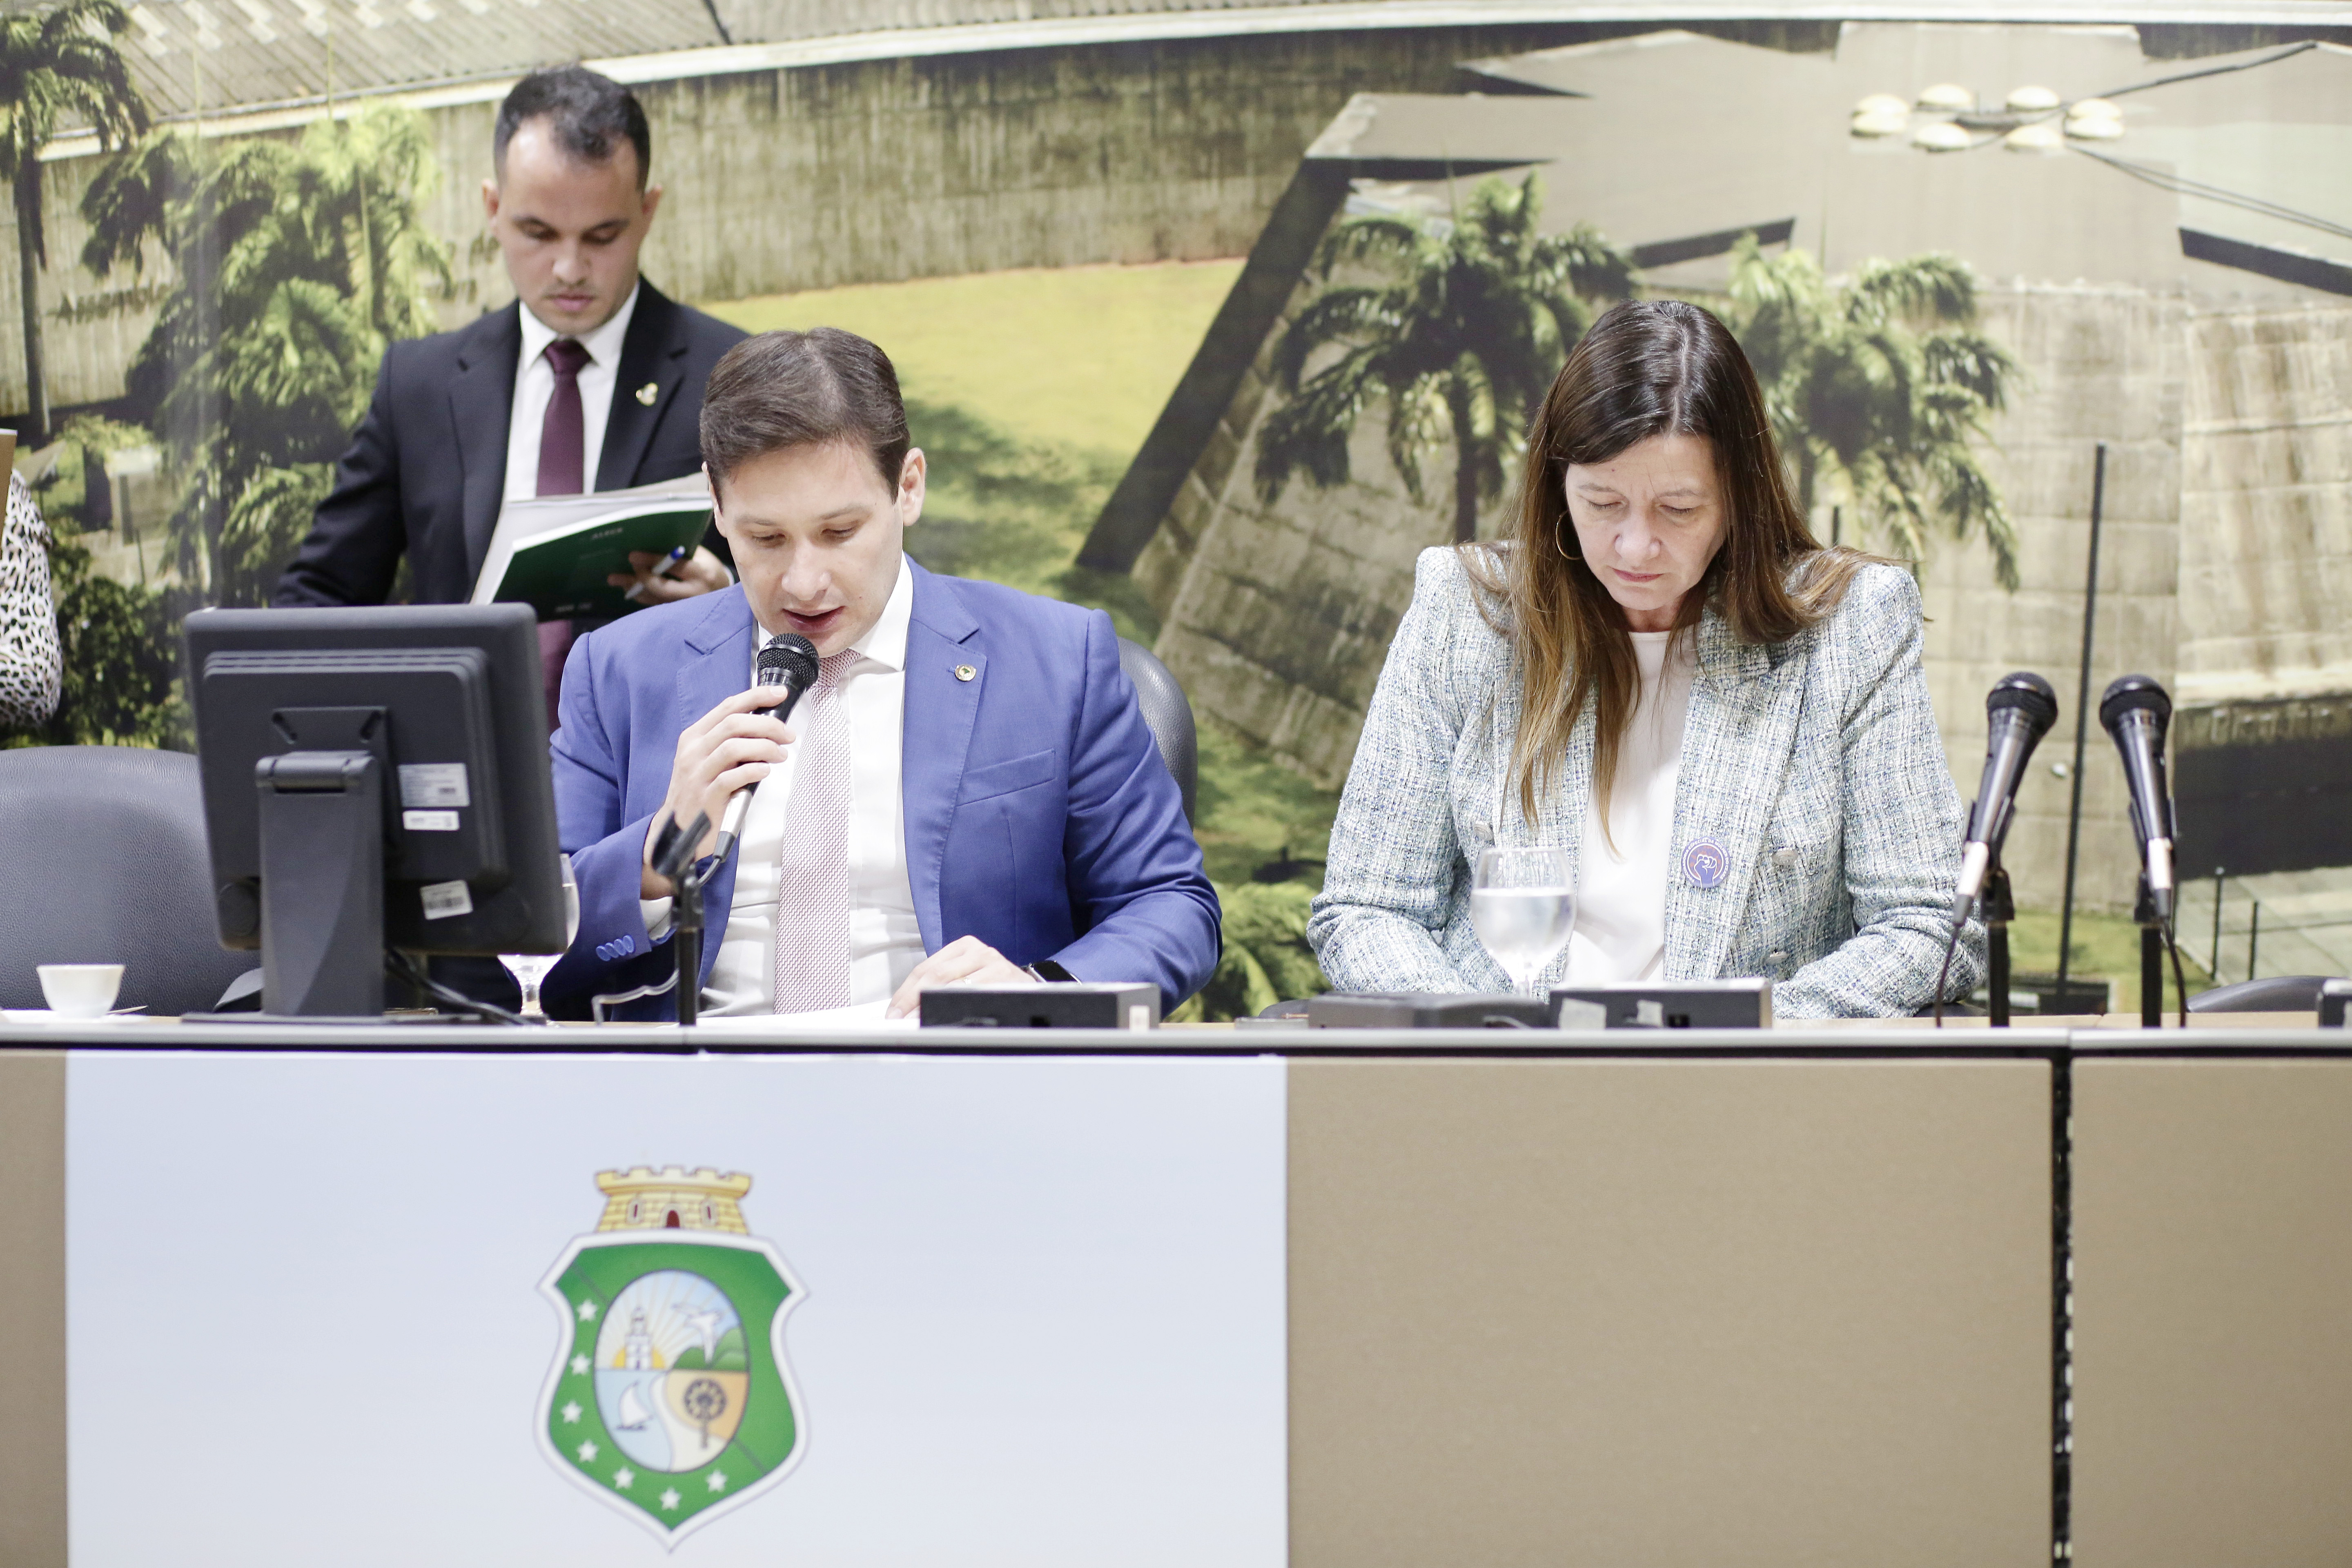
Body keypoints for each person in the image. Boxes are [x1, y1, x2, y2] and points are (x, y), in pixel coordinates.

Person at [1308, 299, 1983, 1017]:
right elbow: (1368, 909)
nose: (1635, 546)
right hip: (1505, 1071)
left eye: (1678, 510)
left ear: (1739, 498)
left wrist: (1732, 1035)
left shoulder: (1850, 626)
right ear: (1558, 485)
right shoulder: (1466, 612)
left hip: (1743, 1076)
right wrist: (1489, 1036)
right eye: (1602, 503)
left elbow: (1929, 925)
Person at [543, 328, 1219, 1022]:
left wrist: (1036, 993)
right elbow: (526, 936)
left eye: (840, 532)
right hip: (695, 1072)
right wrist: (659, 854)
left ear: (909, 488)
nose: (804, 583)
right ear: (716, 505)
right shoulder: (620, 670)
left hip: (951, 1068)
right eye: (765, 539)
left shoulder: (1057, 660)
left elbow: (1171, 905)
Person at [272, 66, 742, 700]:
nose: (569, 268)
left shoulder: (731, 374)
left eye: (602, 236)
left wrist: (733, 604)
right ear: (493, 209)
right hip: (462, 747)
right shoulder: (417, 386)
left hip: (665, 755)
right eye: (538, 233)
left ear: (648, 211)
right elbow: (316, 599)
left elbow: (816, 592)